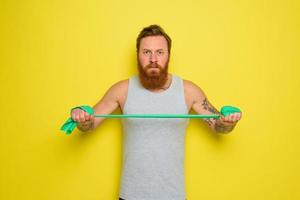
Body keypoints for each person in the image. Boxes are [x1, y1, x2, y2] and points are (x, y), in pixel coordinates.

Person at [71, 25, 242, 200]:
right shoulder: (122, 90)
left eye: (160, 52)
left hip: (173, 194)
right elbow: (89, 125)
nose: (153, 59)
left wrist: (228, 122)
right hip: (130, 194)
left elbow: (218, 127)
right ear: (138, 55)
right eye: (146, 52)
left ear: (168, 55)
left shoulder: (188, 91)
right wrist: (82, 119)